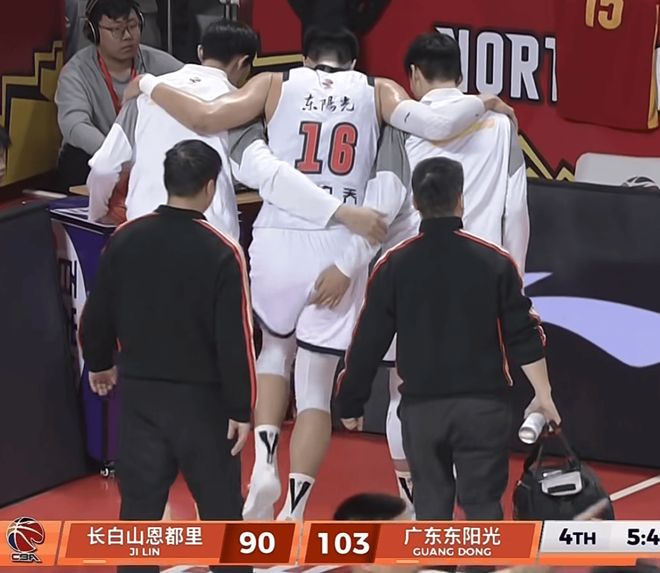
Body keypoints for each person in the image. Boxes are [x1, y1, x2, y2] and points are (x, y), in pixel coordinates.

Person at [127, 25, 514, 522]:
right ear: (354, 62)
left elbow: (207, 119)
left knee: (273, 352)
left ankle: (264, 464)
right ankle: (295, 507)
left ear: (305, 58)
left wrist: (148, 84)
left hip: (279, 237)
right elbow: (423, 142)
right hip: (338, 244)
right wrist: (485, 102)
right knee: (314, 385)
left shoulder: (273, 83)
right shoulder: (378, 90)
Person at [337, 157, 561, 538]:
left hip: (422, 412)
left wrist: (350, 402)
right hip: (483, 410)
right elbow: (524, 333)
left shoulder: (393, 265)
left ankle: (436, 563)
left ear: (415, 203)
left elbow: (367, 342)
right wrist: (544, 394)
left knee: (431, 509)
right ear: (461, 200)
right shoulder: (494, 261)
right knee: (483, 507)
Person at [79, 140, 255, 573]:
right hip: (204, 404)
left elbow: (96, 313)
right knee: (222, 516)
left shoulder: (125, 238)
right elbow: (236, 337)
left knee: (139, 514)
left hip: (140, 398)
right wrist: (241, 406)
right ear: (210, 187)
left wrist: (100, 362)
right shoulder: (222, 250)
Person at [382, 31, 531, 516]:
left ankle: (414, 506)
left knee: (403, 391)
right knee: (479, 390)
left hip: (415, 273)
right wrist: (513, 281)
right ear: (461, 75)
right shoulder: (500, 124)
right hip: (482, 277)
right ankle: (479, 515)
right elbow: (516, 209)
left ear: (414, 75)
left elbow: (388, 201)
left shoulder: (401, 122)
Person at [86, 19, 258, 234]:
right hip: (210, 234)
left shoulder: (143, 96)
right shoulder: (239, 105)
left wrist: (97, 213)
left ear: (201, 52)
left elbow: (103, 166)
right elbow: (252, 172)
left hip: (143, 229)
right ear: (243, 63)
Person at [55, 0, 182, 193]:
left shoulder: (160, 63)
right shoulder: (76, 72)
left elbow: (196, 85)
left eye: (133, 26)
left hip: (148, 157)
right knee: (75, 156)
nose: (128, 36)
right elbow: (74, 125)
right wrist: (116, 155)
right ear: (93, 31)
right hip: (95, 157)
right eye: (116, 30)